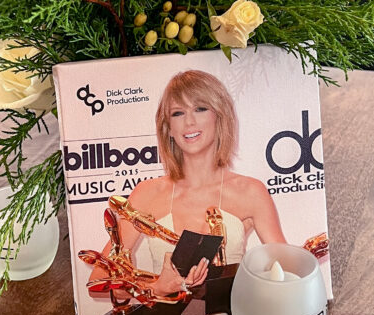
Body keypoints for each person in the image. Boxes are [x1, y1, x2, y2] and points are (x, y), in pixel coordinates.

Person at [89, 68, 287, 299]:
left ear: (219, 116)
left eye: (200, 109)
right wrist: (156, 288)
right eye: (178, 113)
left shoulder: (251, 192)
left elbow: (288, 268)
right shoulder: (147, 194)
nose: (189, 122)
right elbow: (99, 281)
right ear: (168, 128)